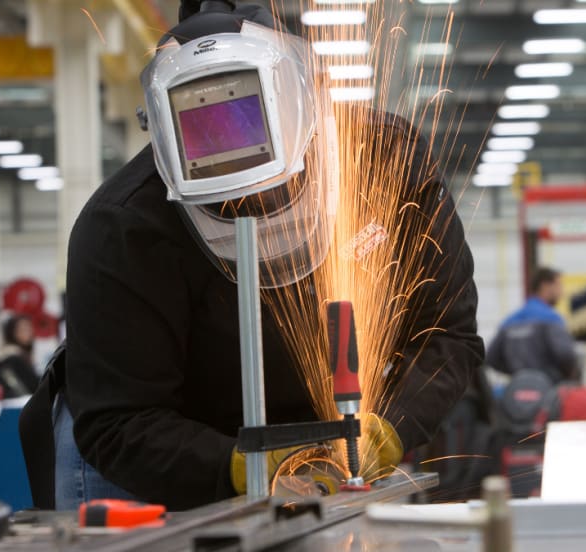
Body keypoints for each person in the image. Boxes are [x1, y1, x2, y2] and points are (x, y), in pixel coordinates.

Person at [38, 0, 482, 511]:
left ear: (303, 97)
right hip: (173, 455)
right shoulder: (122, 228)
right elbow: (120, 420)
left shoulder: (384, 159)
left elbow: (448, 333)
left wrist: (392, 427)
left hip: (344, 441)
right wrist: (240, 465)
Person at [486, 267, 578, 383]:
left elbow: (490, 358)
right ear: (545, 285)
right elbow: (566, 355)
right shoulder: (552, 319)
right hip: (548, 390)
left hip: (517, 389)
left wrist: (517, 375)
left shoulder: (509, 322)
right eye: (558, 285)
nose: (561, 291)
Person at [0, 315, 39, 398]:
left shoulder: (24, 354)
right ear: (12, 332)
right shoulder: (11, 357)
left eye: (29, 328)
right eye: (23, 329)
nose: (28, 332)